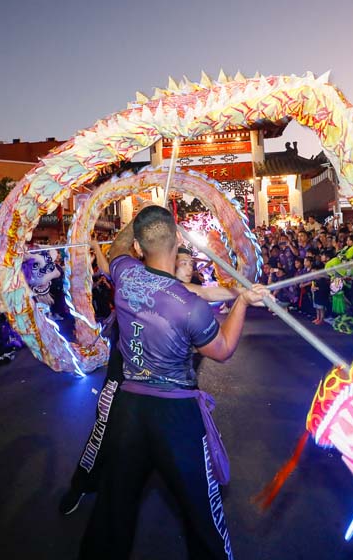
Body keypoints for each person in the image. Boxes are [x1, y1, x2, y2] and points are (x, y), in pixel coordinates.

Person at [79, 206, 269, 560]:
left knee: (113, 505)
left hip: (129, 409)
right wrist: (242, 300)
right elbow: (223, 349)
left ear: (139, 245)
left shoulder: (124, 272)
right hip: (175, 414)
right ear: (178, 239)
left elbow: (117, 249)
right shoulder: (190, 305)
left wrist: (136, 223)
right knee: (201, 508)